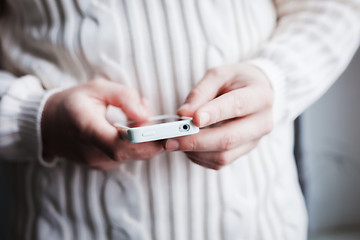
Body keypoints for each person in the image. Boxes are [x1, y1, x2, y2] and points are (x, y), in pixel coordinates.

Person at [0, 0, 359, 239]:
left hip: (260, 222)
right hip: (61, 222)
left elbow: (335, 7)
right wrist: (33, 116)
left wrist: (275, 79)